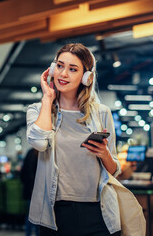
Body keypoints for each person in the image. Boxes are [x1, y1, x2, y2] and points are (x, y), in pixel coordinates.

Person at [26, 43, 122, 236]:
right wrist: (47, 98)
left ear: (86, 77)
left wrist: (104, 154)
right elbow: (38, 142)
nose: (63, 74)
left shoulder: (102, 113)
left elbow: (114, 170)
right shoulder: (38, 110)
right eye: (60, 66)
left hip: (99, 212)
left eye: (72, 69)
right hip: (56, 214)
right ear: (52, 69)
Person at [20, 148, 40, 236]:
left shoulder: (31, 152)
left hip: (31, 189)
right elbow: (30, 173)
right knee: (36, 216)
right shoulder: (36, 153)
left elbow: (23, 173)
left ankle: (29, 234)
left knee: (30, 215)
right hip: (35, 189)